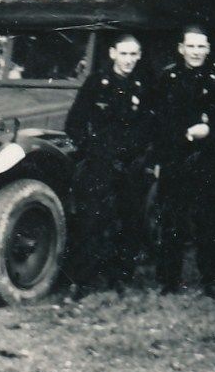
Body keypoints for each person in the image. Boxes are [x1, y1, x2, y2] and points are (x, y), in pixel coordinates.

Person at [64, 33, 151, 291]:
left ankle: (120, 277)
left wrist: (142, 155)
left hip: (132, 164)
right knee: (92, 220)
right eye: (123, 54)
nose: (128, 60)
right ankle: (84, 280)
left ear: (139, 56)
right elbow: (74, 123)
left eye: (133, 54)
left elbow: (152, 124)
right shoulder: (97, 83)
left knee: (129, 220)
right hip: (100, 163)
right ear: (113, 54)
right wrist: (92, 150)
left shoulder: (144, 85)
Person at [151, 25, 215, 296]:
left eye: (201, 47)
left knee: (207, 221)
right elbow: (158, 121)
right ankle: (169, 280)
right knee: (172, 221)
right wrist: (171, 147)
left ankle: (212, 279)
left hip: (207, 159)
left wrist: (210, 132)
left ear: (208, 49)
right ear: (181, 49)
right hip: (175, 158)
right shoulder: (167, 77)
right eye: (191, 47)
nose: (196, 52)